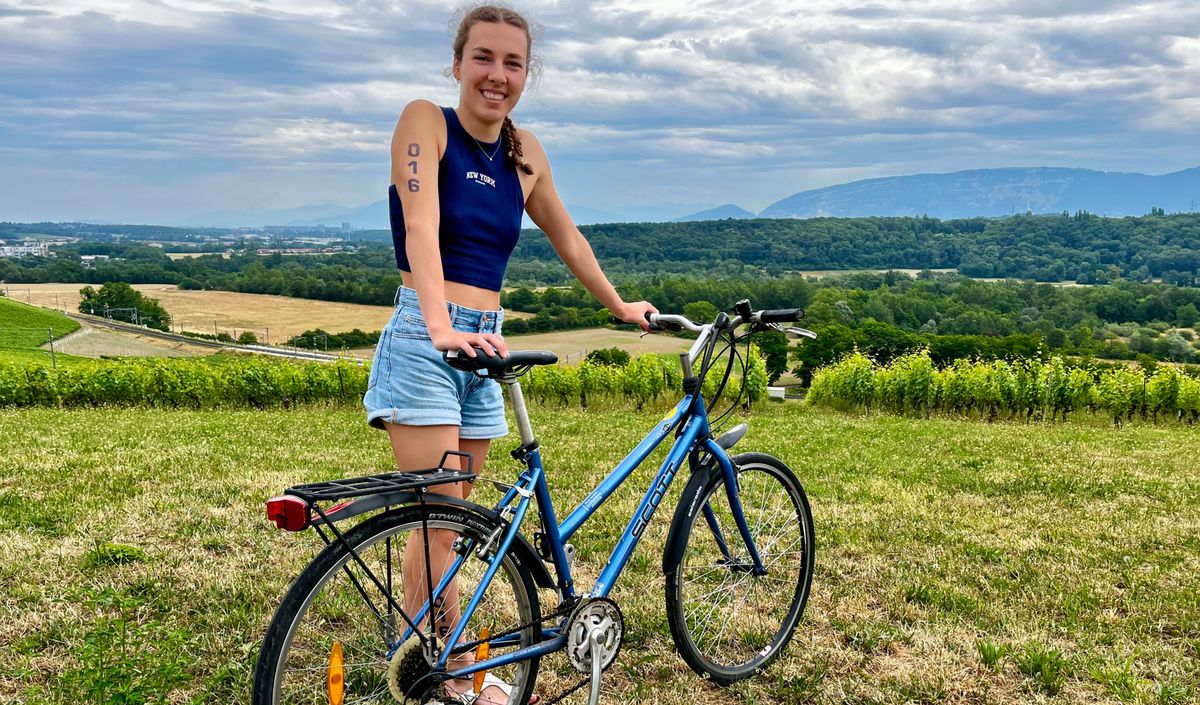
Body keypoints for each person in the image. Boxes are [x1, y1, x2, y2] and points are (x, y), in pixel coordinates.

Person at [362, 5, 656, 703]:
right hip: (429, 340)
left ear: (527, 73)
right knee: (440, 523)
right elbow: (422, 225)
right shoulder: (425, 124)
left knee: (452, 523)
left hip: (487, 346)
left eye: (513, 63)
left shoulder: (525, 152)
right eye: (484, 58)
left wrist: (617, 304)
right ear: (458, 63)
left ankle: (428, 659)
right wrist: (438, 325)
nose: (498, 75)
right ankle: (450, 675)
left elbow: (567, 236)